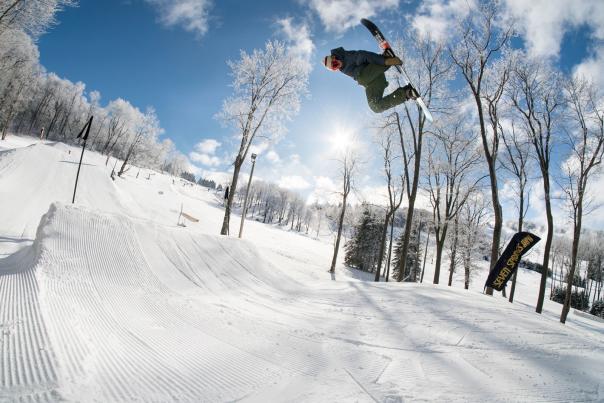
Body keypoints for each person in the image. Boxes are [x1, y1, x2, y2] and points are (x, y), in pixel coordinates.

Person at [323, 47, 418, 113]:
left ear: (334, 58)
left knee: (361, 78)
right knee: (375, 107)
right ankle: (406, 93)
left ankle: (385, 58)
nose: (337, 66)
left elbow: (363, 55)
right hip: (372, 82)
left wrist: (384, 61)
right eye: (334, 68)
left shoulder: (346, 57)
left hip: (368, 74)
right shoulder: (342, 69)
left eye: (335, 64)